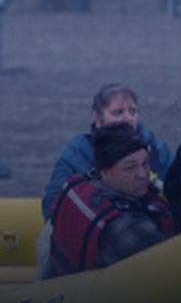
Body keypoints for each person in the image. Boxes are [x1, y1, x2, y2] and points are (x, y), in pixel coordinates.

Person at [45, 122, 181, 278]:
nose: (143, 175)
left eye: (145, 164)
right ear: (105, 172)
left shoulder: (82, 182)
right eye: (130, 167)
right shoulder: (124, 228)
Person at [41, 83, 173, 221]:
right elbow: (52, 204)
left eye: (132, 111)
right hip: (100, 228)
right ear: (97, 118)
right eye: (118, 112)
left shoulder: (155, 149)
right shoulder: (78, 151)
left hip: (147, 225)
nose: (128, 118)